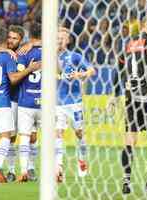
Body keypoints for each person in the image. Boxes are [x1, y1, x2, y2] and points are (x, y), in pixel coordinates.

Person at [108, 13, 147, 194]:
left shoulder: (128, 42)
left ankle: (126, 182)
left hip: (131, 96)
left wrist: (114, 95)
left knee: (130, 140)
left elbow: (119, 69)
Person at [0, 27, 40, 183]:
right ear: (6, 39)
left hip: (25, 100)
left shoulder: (24, 52)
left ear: (22, 40)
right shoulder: (7, 55)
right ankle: (11, 170)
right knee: (11, 137)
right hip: (10, 100)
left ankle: (30, 168)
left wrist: (33, 44)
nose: (12, 41)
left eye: (15, 38)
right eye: (10, 38)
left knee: (31, 137)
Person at [56, 29, 95, 182]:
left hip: (74, 102)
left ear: (68, 41)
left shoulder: (75, 56)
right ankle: (58, 167)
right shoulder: (49, 57)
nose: (59, 40)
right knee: (57, 133)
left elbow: (92, 70)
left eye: (62, 38)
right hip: (57, 103)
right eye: (57, 37)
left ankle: (82, 160)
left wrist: (81, 74)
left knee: (79, 133)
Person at [16, 22, 42, 182]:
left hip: (26, 101)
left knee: (25, 137)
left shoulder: (24, 53)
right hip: (45, 102)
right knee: (46, 137)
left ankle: (24, 170)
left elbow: (18, 74)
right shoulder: (51, 51)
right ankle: (54, 170)